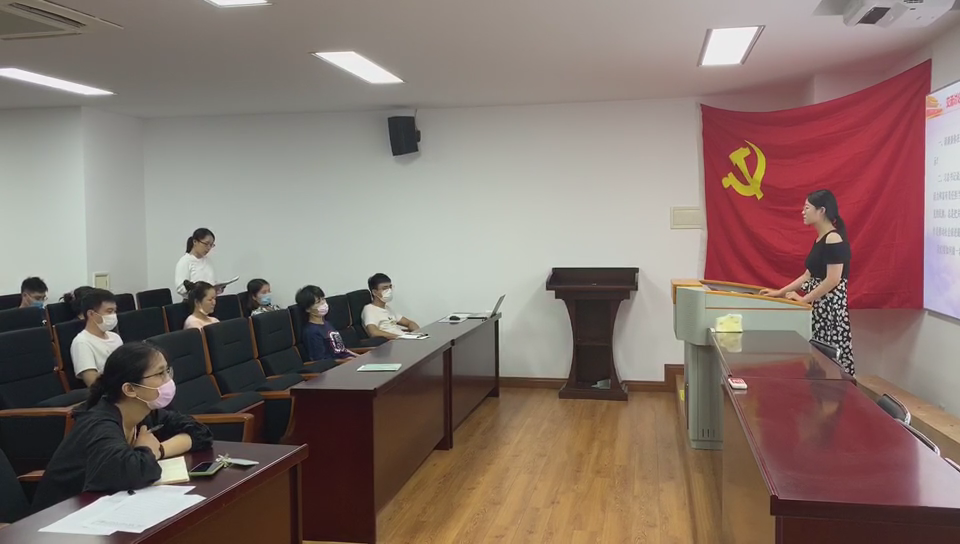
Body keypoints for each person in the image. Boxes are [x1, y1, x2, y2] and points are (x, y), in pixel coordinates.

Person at [32, 342, 213, 512]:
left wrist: (159, 450)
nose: (168, 380)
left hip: (102, 508)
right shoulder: (99, 424)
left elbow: (200, 433)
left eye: (167, 371)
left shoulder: (145, 412)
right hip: (60, 515)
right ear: (130, 389)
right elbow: (132, 473)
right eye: (160, 374)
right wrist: (146, 451)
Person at [760, 189, 855, 375]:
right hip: (818, 308)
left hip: (829, 312)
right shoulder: (820, 239)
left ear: (821, 211)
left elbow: (833, 280)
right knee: (816, 365)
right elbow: (807, 276)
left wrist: (804, 300)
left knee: (828, 365)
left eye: (807, 208)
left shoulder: (833, 239)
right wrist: (779, 292)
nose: (802, 212)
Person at [70, 289, 123, 387]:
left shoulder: (115, 337)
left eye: (114, 311)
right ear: (91, 314)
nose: (113, 315)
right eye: (109, 311)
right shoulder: (82, 342)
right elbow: (92, 382)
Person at [296, 285, 358, 363]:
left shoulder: (327, 324)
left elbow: (342, 350)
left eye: (323, 299)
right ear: (308, 309)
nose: (323, 303)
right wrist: (347, 361)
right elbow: (321, 361)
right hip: (338, 366)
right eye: (318, 302)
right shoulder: (311, 331)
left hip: (349, 361)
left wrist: (359, 357)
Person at [362, 273, 419, 340]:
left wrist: (417, 333)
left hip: (403, 339)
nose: (389, 290)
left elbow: (410, 323)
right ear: (374, 292)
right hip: (392, 343)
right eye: (384, 288)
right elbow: (374, 332)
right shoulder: (369, 309)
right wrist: (399, 337)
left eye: (390, 287)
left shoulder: (387, 309)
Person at [175, 228, 217, 298]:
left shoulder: (208, 261)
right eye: (206, 244)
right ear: (195, 242)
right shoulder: (185, 261)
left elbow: (211, 281)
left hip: (209, 300)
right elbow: (180, 288)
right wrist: (197, 290)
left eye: (211, 245)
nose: (208, 248)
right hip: (192, 302)